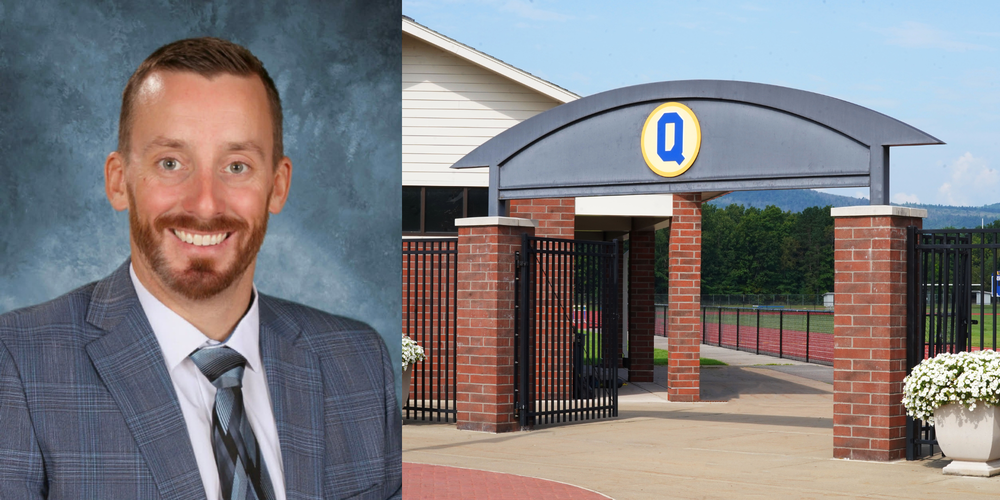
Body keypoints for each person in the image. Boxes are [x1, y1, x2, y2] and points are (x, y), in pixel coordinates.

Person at [0, 37, 401, 499]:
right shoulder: (20, 364)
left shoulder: (358, 363)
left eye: (236, 165)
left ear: (277, 185)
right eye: (171, 163)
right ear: (118, 181)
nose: (205, 204)